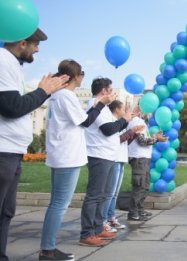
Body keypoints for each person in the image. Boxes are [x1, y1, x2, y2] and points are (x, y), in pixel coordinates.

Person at [0, 29, 69, 261]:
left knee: (6, 212)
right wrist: (43, 91)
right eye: (35, 44)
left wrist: (42, 92)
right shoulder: (2, 60)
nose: (37, 49)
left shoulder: (12, 64)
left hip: (12, 151)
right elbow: (12, 107)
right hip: (2, 151)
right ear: (22, 43)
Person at [38, 60, 115, 260]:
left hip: (61, 154)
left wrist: (98, 106)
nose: (83, 77)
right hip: (67, 156)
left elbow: (82, 119)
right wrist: (101, 105)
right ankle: (47, 249)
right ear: (76, 76)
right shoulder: (66, 96)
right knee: (59, 204)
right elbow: (86, 121)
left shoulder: (56, 95)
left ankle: (48, 247)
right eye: (81, 73)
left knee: (56, 203)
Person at [80, 78, 133, 247]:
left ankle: (97, 228)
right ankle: (87, 233)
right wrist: (124, 120)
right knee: (94, 195)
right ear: (104, 91)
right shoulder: (95, 105)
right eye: (111, 90)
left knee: (102, 195)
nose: (113, 93)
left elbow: (112, 128)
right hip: (98, 155)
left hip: (108, 155)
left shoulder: (103, 108)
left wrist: (125, 119)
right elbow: (108, 130)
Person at [102, 101, 144, 231]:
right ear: (116, 109)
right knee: (110, 193)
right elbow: (117, 139)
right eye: (123, 109)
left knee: (114, 193)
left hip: (121, 159)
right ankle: (103, 220)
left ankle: (111, 217)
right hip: (114, 159)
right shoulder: (114, 124)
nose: (125, 111)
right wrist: (131, 131)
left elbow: (125, 141)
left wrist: (134, 133)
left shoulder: (121, 124)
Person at [127, 111, 166, 221]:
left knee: (144, 185)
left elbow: (144, 139)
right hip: (139, 158)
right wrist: (157, 139)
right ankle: (133, 212)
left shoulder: (142, 122)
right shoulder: (136, 121)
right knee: (139, 186)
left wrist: (154, 136)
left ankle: (140, 210)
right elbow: (142, 141)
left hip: (144, 158)